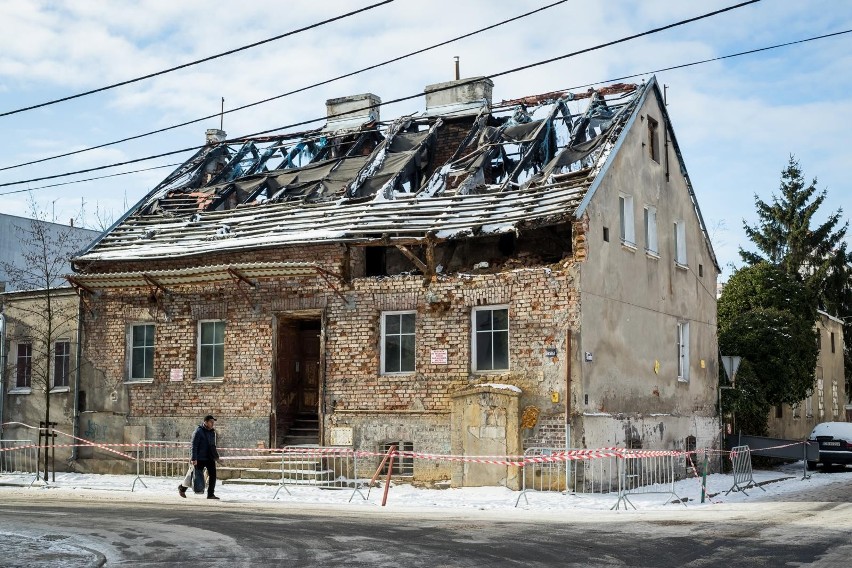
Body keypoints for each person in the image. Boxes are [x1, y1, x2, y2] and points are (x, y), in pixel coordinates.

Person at [178, 414, 220, 499]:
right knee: (194, 475)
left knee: (213, 475)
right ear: (206, 422)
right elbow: (194, 445)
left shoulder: (212, 432)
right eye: (211, 422)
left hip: (209, 458)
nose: (212, 424)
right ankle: (182, 488)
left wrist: (216, 456)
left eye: (213, 422)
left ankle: (210, 494)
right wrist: (194, 458)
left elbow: (212, 445)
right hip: (200, 458)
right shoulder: (198, 431)